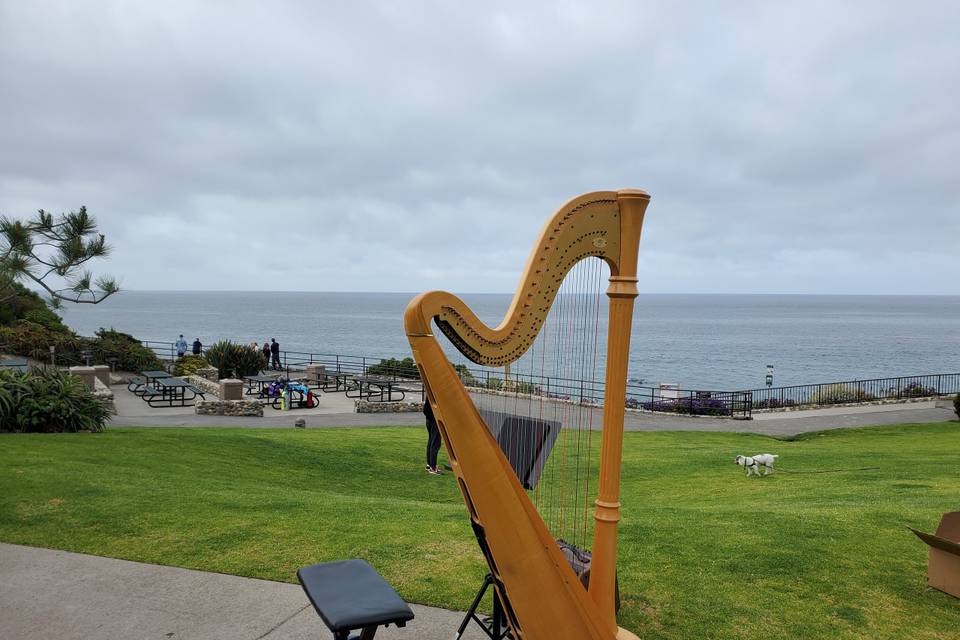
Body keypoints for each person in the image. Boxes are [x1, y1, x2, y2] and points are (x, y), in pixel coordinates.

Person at [424, 401, 442, 475]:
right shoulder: (435, 393)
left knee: (431, 441)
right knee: (435, 443)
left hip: (429, 418)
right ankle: (433, 468)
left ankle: (429, 465)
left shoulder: (430, 393)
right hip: (434, 418)